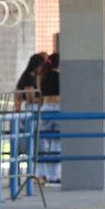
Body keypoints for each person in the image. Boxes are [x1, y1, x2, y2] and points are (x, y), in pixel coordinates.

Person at [37, 53, 62, 183]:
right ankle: (54, 175)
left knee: (43, 142)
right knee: (57, 143)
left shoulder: (43, 76)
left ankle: (42, 174)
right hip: (58, 108)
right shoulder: (61, 77)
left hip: (45, 108)